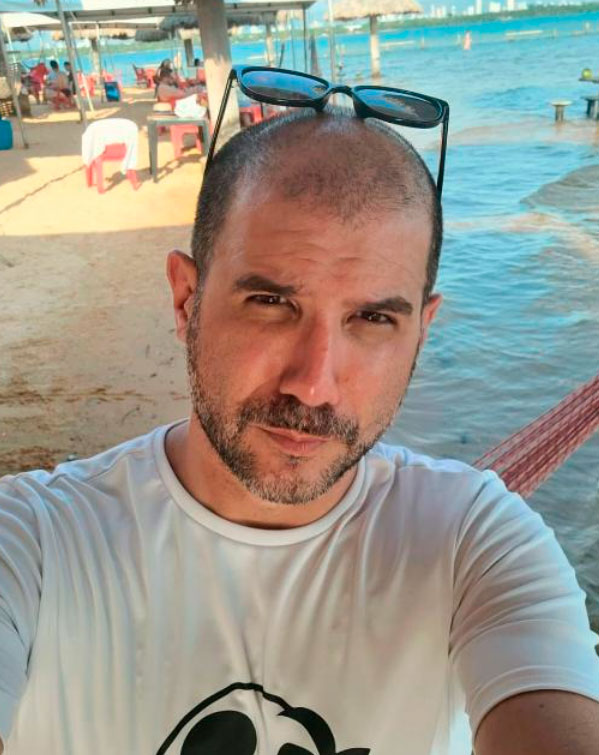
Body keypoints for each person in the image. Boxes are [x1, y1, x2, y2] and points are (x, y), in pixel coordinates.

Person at [0, 78, 598, 754]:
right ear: (186, 299)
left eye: (372, 319)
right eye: (270, 303)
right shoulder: (33, 543)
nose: (313, 386)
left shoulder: (475, 543)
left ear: (420, 332)